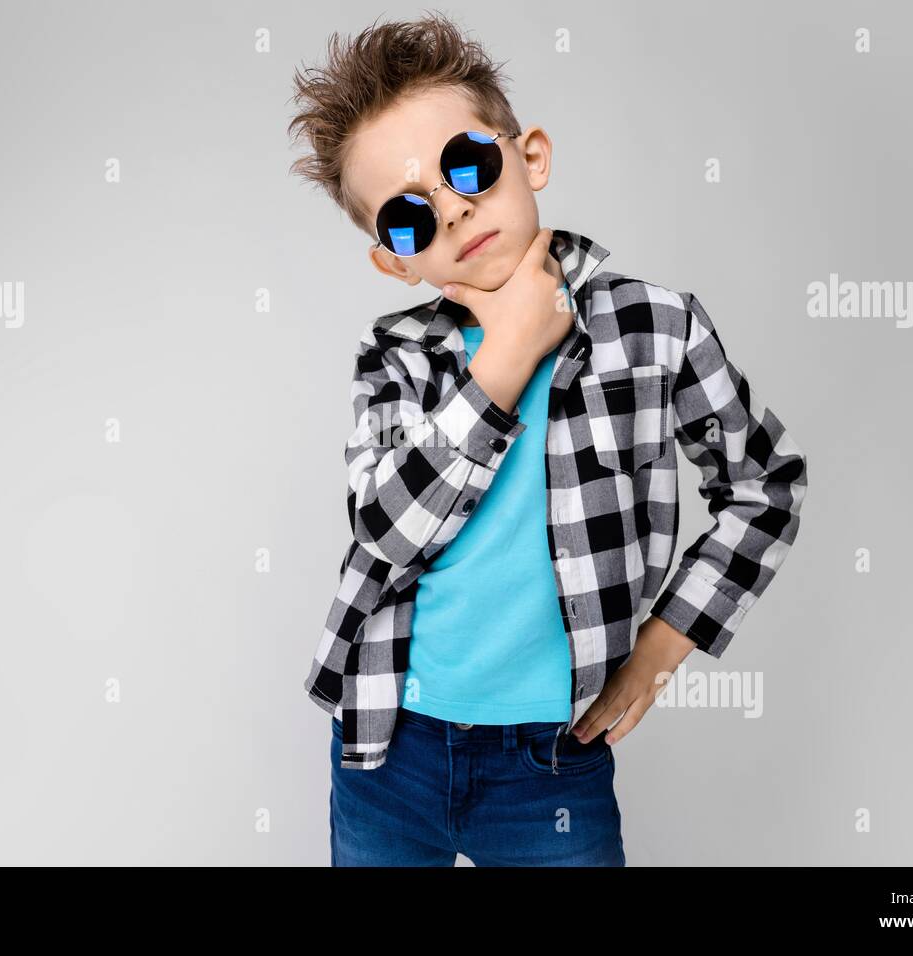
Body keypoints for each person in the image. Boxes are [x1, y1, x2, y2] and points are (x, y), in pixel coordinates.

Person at [288, 12, 809, 866]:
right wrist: (506, 358)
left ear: (528, 156)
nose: (454, 209)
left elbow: (765, 488)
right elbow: (383, 534)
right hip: (391, 748)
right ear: (395, 258)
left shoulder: (655, 327)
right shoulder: (395, 358)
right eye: (411, 217)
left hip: (550, 765)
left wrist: (661, 649)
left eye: (468, 167)